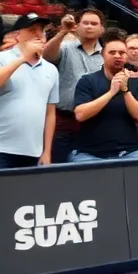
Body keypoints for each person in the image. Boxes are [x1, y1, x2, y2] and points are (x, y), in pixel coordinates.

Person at [0, 14, 58, 221]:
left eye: (42, 30)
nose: (38, 35)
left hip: (30, 151)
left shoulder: (51, 70)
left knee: (23, 211)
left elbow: (50, 112)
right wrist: (22, 58)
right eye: (32, 30)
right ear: (17, 34)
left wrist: (46, 151)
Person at [71, 32, 138, 161]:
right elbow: (80, 115)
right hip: (90, 154)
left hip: (128, 152)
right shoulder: (88, 81)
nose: (117, 56)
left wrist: (125, 90)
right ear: (103, 55)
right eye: (112, 52)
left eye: (121, 53)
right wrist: (111, 93)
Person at [43, 9, 106, 163]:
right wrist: (63, 31)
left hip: (95, 121)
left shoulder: (106, 55)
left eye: (94, 23)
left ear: (102, 29)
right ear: (77, 27)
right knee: (58, 166)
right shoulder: (64, 46)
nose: (89, 26)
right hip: (63, 120)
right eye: (85, 23)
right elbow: (46, 56)